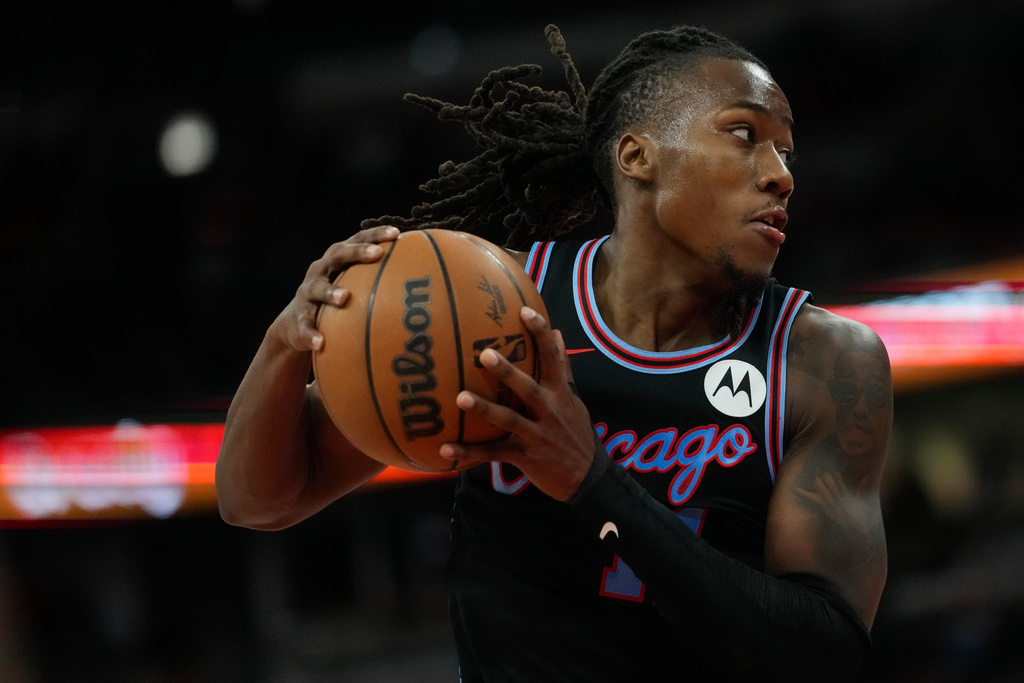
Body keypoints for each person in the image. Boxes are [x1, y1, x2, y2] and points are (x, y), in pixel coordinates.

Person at [216, 23, 891, 682]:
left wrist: (592, 480)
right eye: (745, 135)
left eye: (787, 151)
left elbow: (825, 658)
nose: (781, 176)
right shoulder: (496, 307)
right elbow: (259, 501)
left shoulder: (823, 361)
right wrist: (285, 343)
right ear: (638, 156)